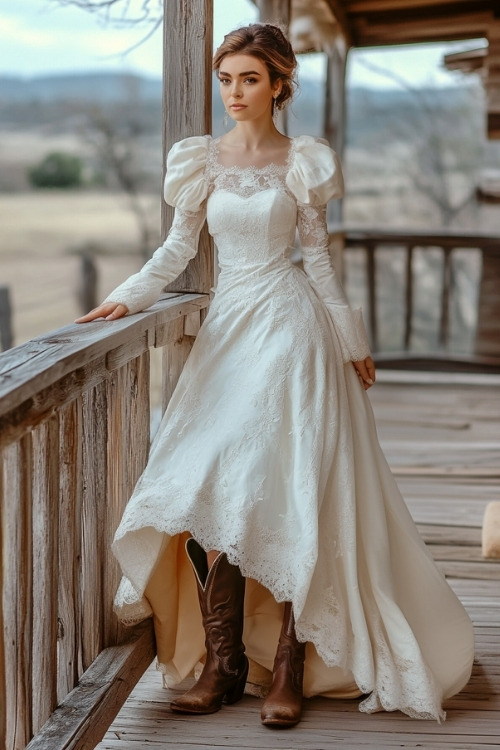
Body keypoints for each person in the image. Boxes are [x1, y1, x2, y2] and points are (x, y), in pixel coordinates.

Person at [76, 23, 474, 728]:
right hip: (227, 335)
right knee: (205, 489)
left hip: (292, 332)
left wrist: (352, 341)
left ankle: (288, 665)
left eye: (249, 79)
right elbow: (176, 246)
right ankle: (223, 663)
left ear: (279, 83)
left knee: (288, 491)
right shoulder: (199, 160)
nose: (234, 92)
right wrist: (127, 297)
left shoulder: (302, 161)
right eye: (226, 78)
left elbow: (317, 260)